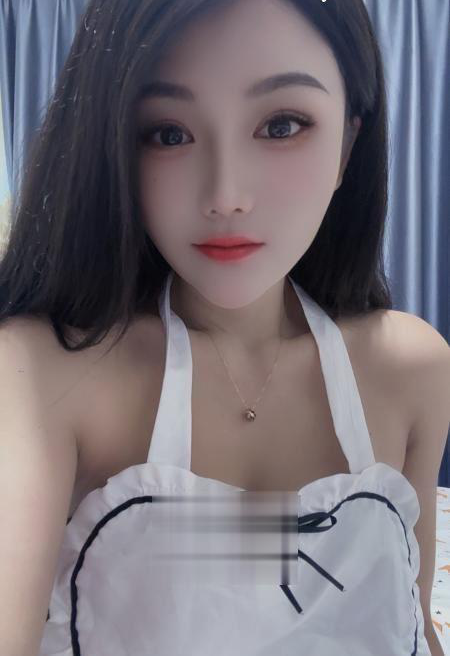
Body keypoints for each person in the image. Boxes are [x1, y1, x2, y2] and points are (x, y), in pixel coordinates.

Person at [0, 0, 447, 654]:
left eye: (282, 125)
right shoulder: (42, 371)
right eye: (168, 133)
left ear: (348, 144)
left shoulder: (411, 367)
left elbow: (412, 623)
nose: (225, 195)